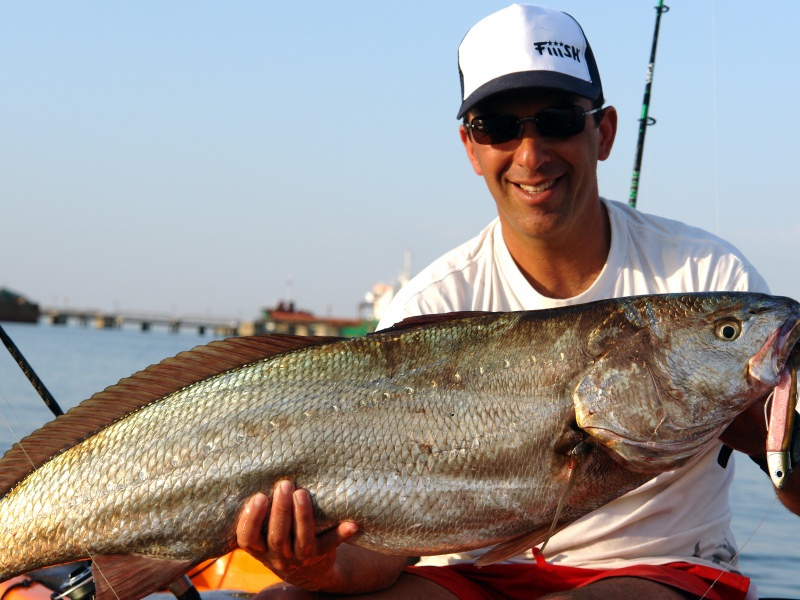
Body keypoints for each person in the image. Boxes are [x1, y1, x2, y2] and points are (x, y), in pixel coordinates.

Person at [235, 5, 800, 599]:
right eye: (498, 127)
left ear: (603, 132)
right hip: (472, 578)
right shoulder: (430, 304)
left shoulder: (709, 275)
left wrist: (776, 441)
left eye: (557, 120)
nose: (531, 154)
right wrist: (315, 565)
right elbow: (378, 559)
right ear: (471, 148)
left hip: (659, 572)